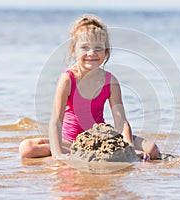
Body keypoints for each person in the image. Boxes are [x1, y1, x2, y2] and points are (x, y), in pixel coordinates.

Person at [19, 15, 161, 161]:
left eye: (98, 48)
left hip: (100, 140)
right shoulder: (68, 79)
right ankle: (72, 152)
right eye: (84, 47)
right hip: (72, 142)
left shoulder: (110, 81)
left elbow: (121, 122)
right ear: (74, 50)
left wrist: (129, 151)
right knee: (26, 148)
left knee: (152, 150)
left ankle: (101, 152)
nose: (91, 53)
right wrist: (58, 155)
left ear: (105, 52)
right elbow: (56, 121)